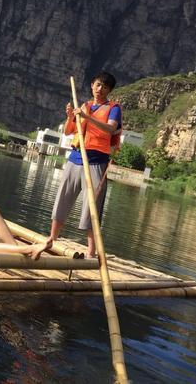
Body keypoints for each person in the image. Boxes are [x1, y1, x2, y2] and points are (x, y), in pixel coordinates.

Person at [47, 71, 122, 258]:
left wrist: (87, 118)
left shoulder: (114, 108)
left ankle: (91, 251)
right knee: (63, 197)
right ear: (92, 85)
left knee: (92, 205)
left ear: (109, 90)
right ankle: (52, 238)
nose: (100, 89)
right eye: (97, 85)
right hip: (76, 158)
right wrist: (70, 117)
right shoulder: (85, 106)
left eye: (105, 87)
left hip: (96, 161)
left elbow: (111, 128)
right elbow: (68, 132)